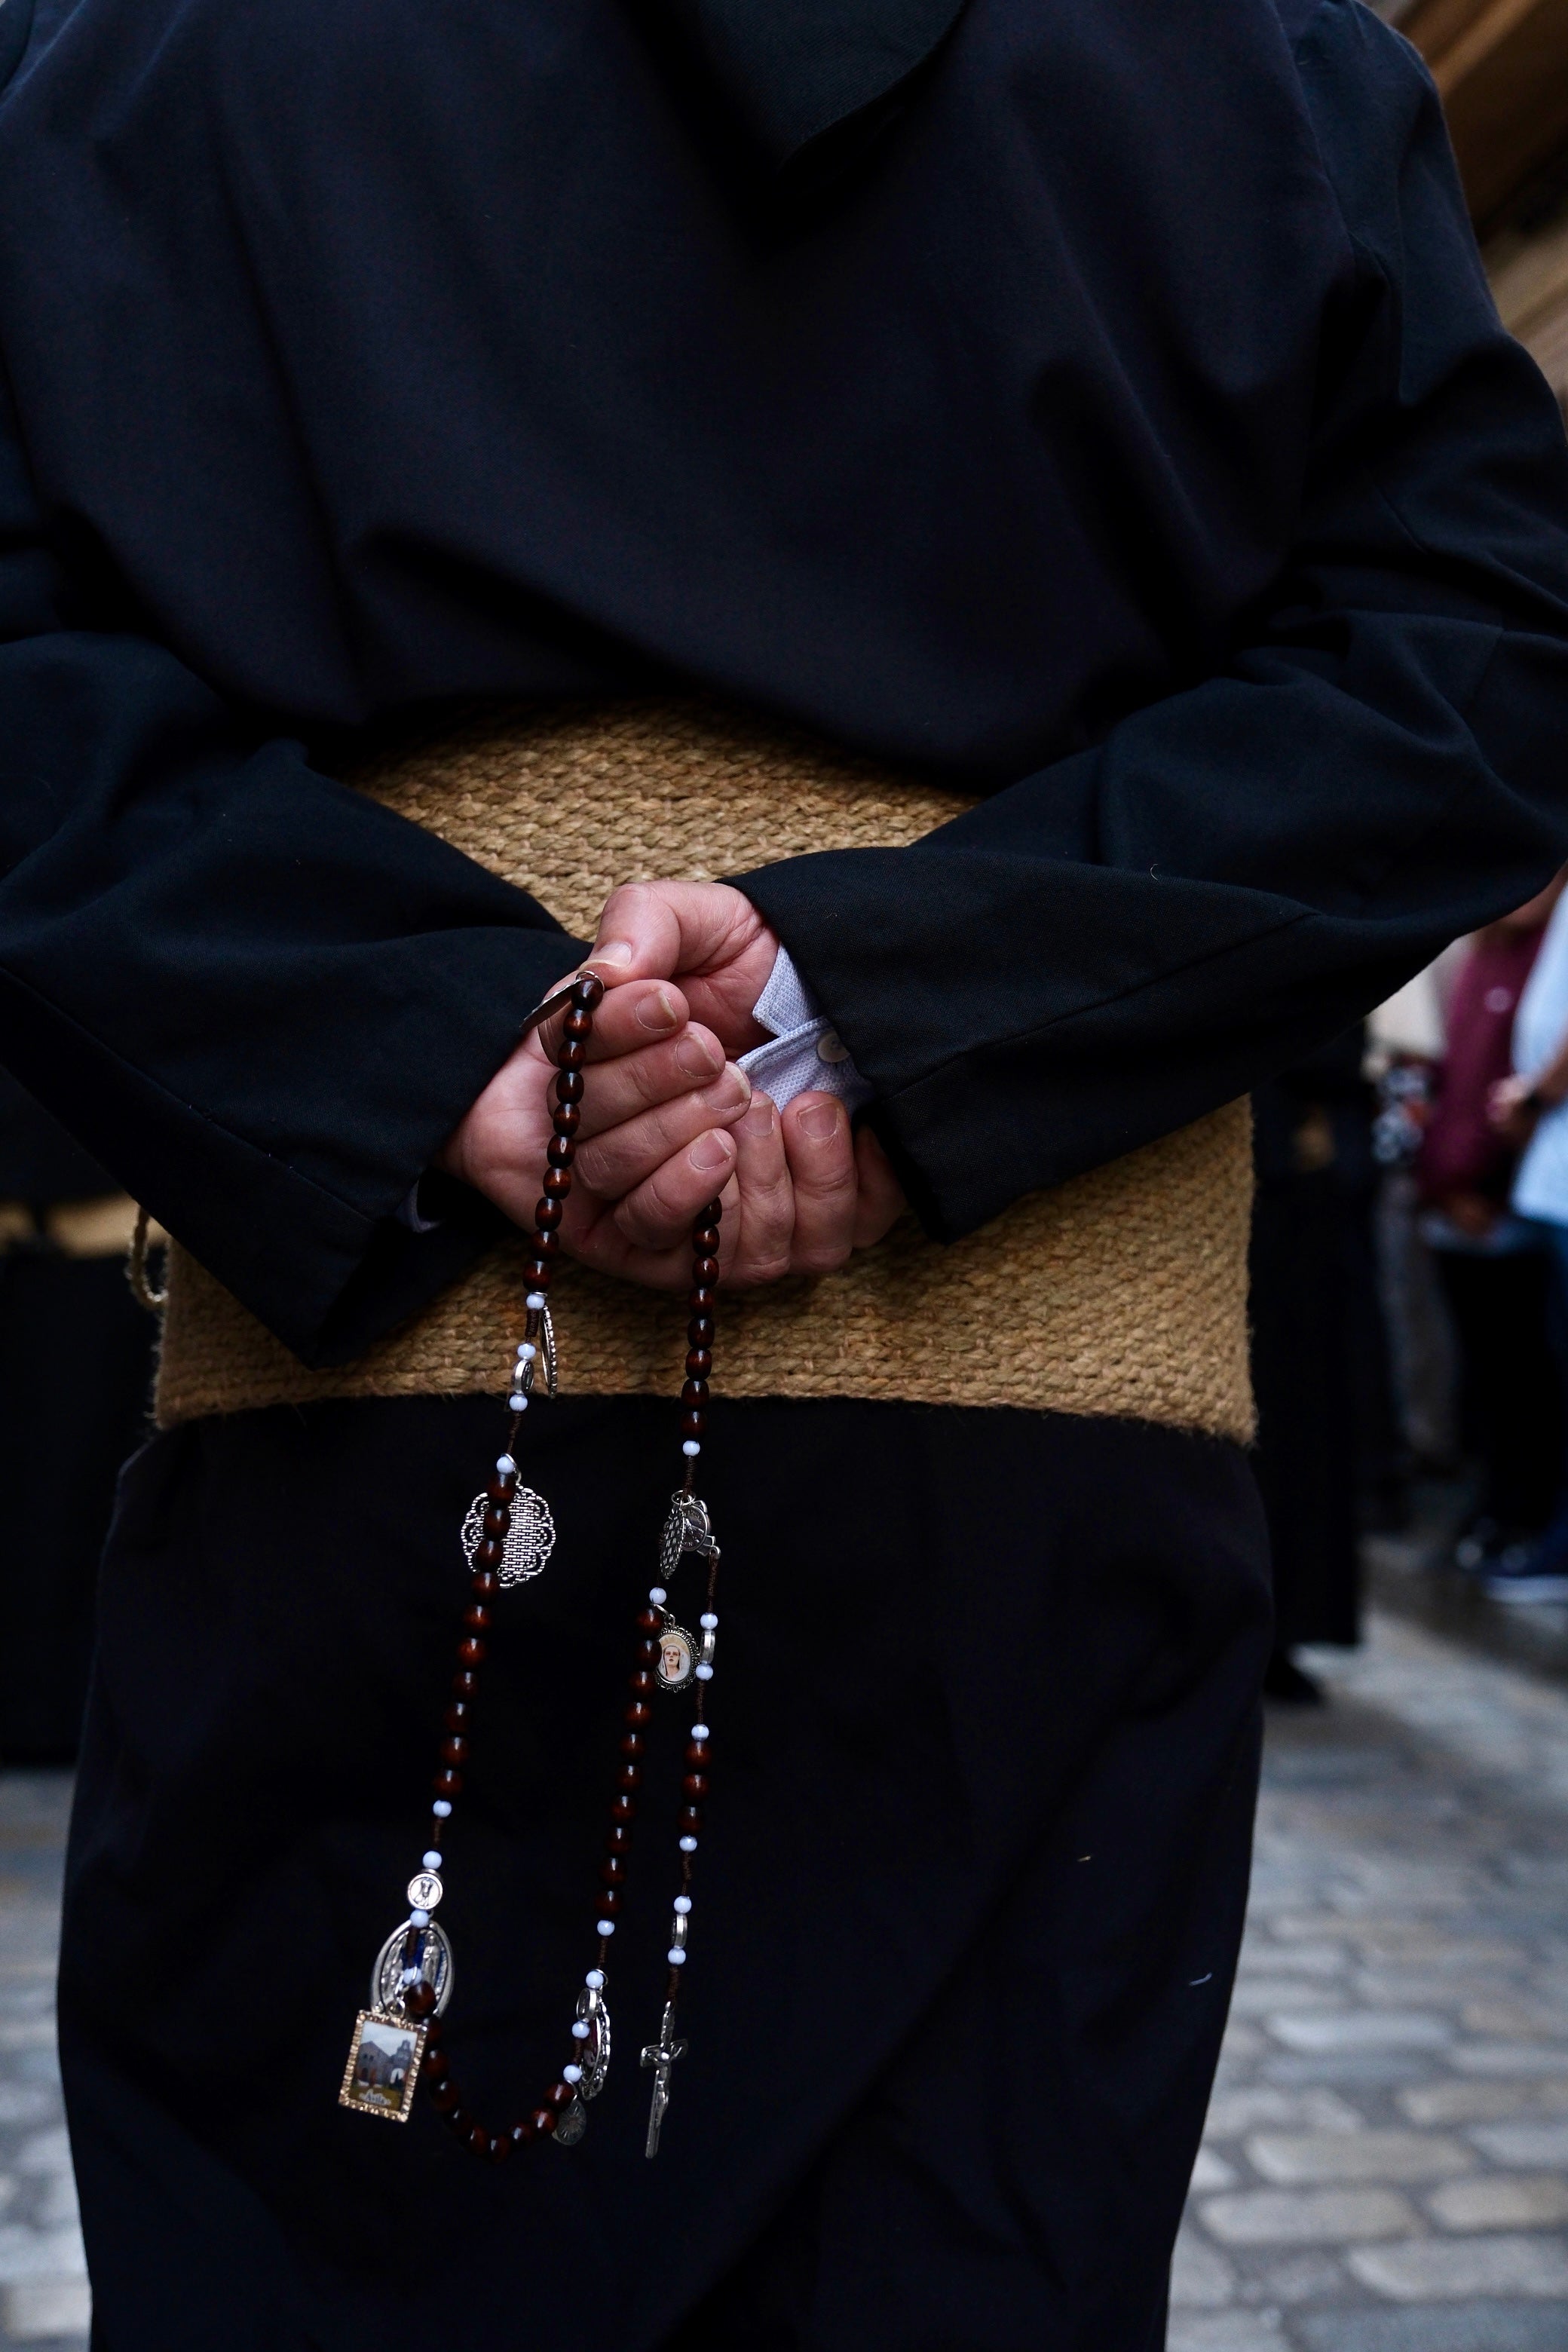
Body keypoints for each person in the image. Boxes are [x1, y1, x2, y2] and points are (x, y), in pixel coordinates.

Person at [2, 0, 1567, 2343]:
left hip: (378, 1429)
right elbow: (1482, 646)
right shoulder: (1250, 50)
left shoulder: (151, 37)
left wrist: (432, 1031)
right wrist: (894, 1015)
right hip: (1033, 1459)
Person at [1416, 878, 1566, 1588]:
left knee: (1529, 1374)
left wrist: (1483, 1181)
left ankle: (1532, 1524)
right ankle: (1499, 1514)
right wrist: (1442, 1187)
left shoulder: (1541, 946)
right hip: (1470, 1196)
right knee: (1493, 1374)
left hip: (1513, 1193)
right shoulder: (1481, 956)